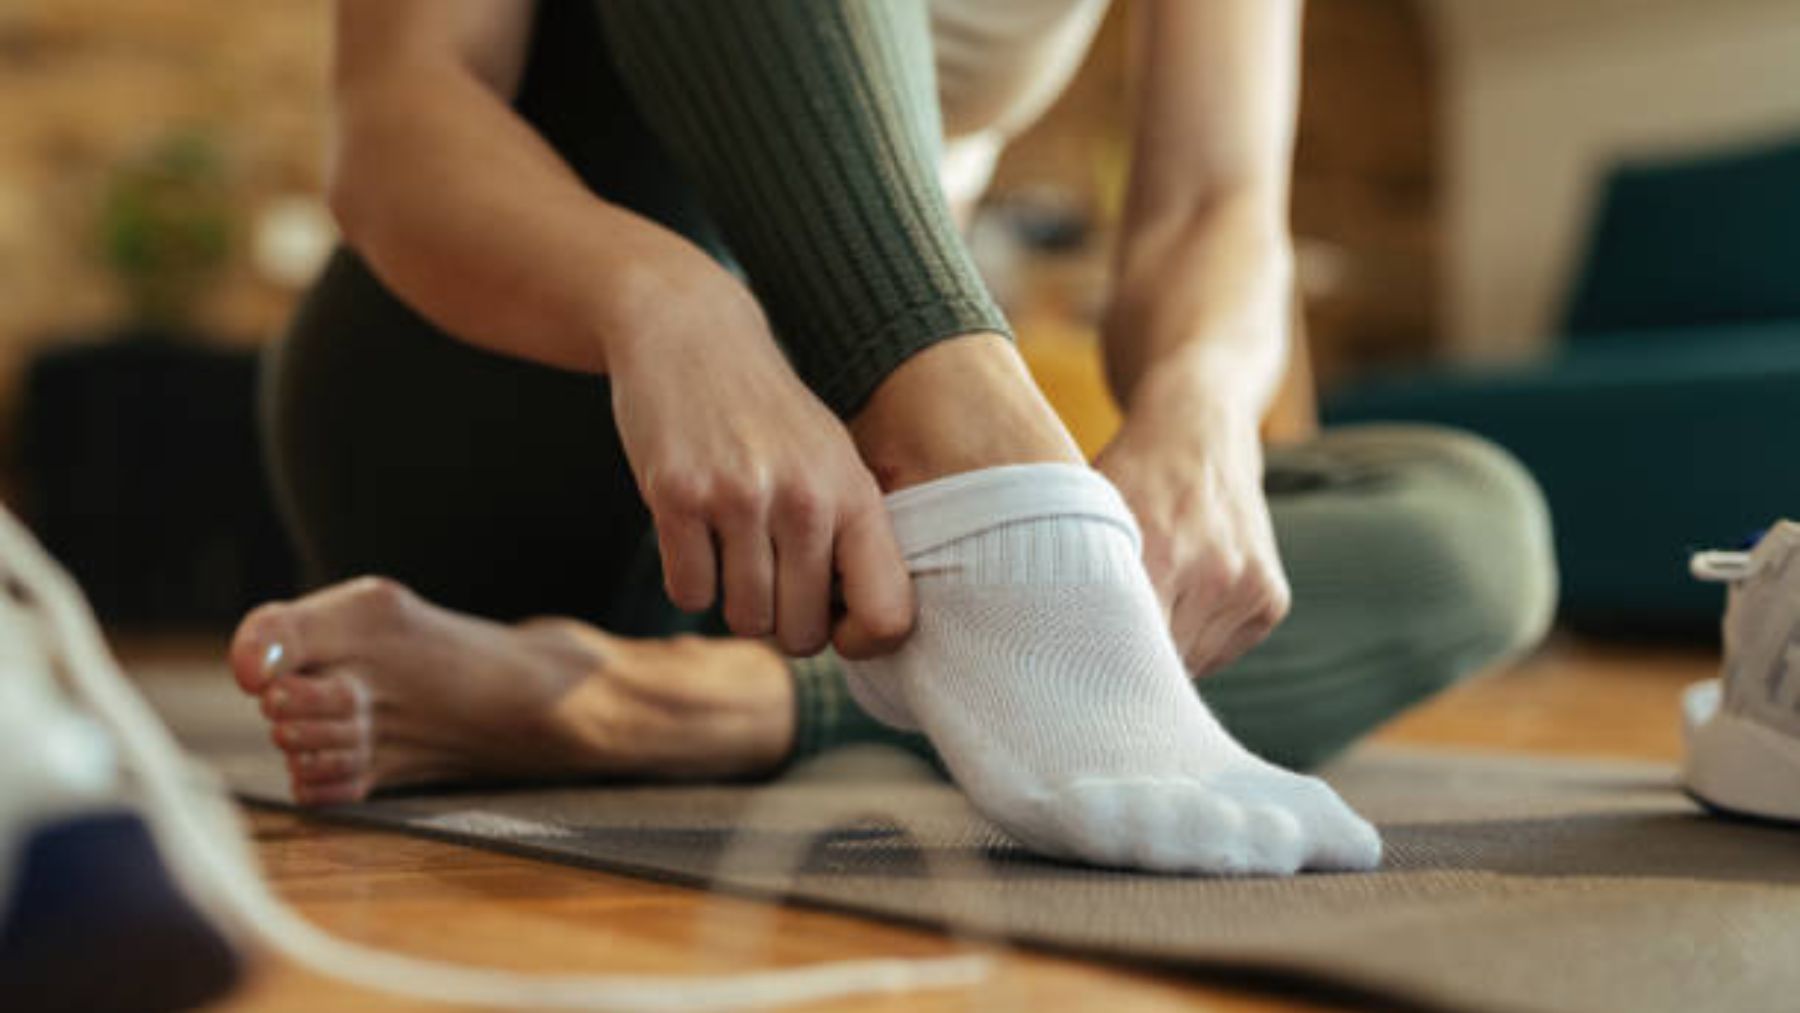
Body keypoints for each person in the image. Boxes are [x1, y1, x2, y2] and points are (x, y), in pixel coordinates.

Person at [227, 0, 1555, 875]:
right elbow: (398, 115)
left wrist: (1199, 412)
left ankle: (659, 706)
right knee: (1018, 530)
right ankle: (997, 503)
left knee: (1471, 523)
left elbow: (1214, 202)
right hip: (522, 394)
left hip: (856, 546)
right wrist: (669, 304)